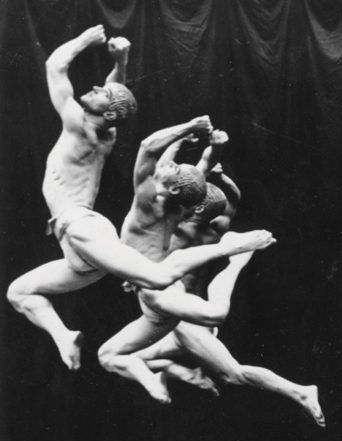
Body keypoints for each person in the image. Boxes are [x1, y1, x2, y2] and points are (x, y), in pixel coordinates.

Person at [5, 25, 265, 370]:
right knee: (19, 293)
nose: (95, 87)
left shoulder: (78, 124)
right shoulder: (103, 129)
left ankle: (231, 248)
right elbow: (115, 97)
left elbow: (55, 65)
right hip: (77, 247)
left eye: (101, 91)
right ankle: (64, 336)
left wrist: (86, 40)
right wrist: (122, 60)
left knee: (158, 279)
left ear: (107, 113)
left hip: (82, 227)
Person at [128, 167, 325, 426]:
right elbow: (233, 198)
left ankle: (300, 391)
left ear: (196, 208)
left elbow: (147, 229)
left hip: (186, 317)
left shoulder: (174, 231)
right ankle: (188, 373)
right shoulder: (217, 229)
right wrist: (220, 177)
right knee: (134, 356)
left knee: (232, 374)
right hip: (190, 313)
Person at [97, 127, 275, 402]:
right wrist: (213, 148)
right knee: (107, 356)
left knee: (214, 315)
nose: (171, 166)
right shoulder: (178, 205)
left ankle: (233, 255)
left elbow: (148, 148)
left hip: (161, 288)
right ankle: (163, 374)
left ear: (174, 188)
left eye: (175, 169)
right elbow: (196, 168)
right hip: (154, 303)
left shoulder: (148, 203)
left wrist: (188, 131)